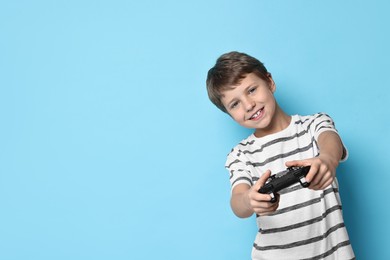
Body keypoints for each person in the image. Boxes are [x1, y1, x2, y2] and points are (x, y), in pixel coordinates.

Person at [206, 51, 355, 259]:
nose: (248, 105)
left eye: (251, 90)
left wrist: (327, 160)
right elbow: (238, 201)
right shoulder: (241, 155)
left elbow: (330, 141)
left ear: (270, 82)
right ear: (229, 114)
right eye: (235, 104)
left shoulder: (313, 124)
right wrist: (249, 201)